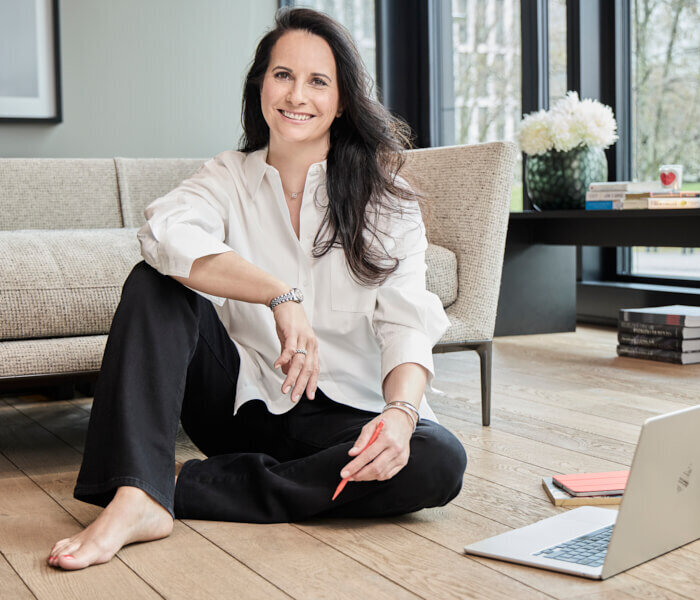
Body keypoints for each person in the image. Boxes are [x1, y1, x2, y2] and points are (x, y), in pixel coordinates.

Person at [47, 7, 467, 571]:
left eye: (318, 80)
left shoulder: (384, 197)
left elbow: (407, 321)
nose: (297, 95)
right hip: (242, 406)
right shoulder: (227, 176)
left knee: (437, 458)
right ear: (261, 86)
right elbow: (164, 233)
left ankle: (166, 489)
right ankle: (141, 493)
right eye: (283, 75)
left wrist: (400, 414)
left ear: (341, 100)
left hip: (345, 418)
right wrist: (278, 294)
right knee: (156, 281)